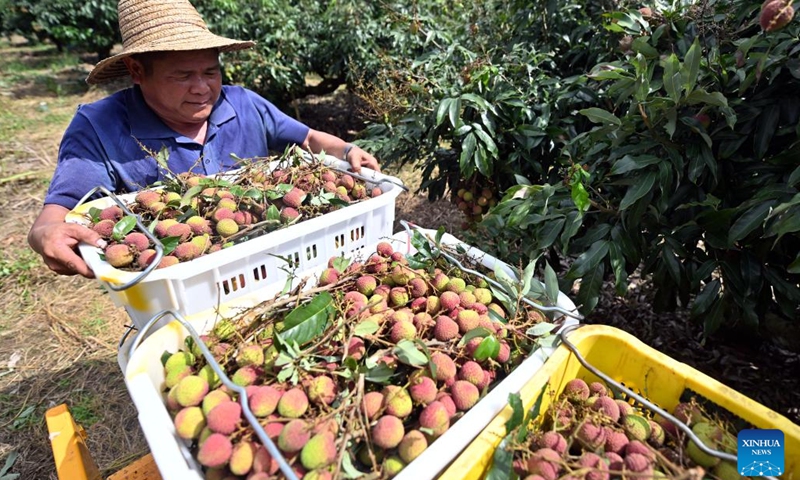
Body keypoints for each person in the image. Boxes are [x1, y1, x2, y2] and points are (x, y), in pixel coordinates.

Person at [27, 0, 379, 278]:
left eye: (211, 72)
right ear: (137, 71)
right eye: (182, 76)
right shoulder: (99, 126)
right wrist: (44, 235)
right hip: (180, 282)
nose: (202, 88)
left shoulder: (242, 102)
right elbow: (59, 213)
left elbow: (308, 138)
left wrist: (347, 150)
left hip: (273, 264)